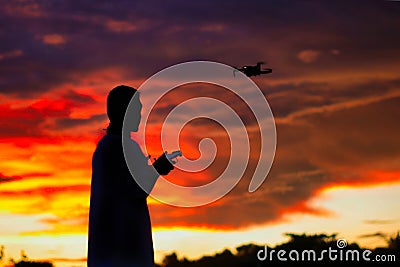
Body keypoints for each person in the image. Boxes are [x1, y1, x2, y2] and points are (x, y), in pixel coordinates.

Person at [88, 85, 174, 267]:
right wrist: (157, 169)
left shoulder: (107, 146)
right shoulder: (120, 147)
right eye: (136, 110)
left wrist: (155, 169)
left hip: (111, 251)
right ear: (124, 111)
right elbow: (136, 191)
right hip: (123, 250)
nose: (140, 115)